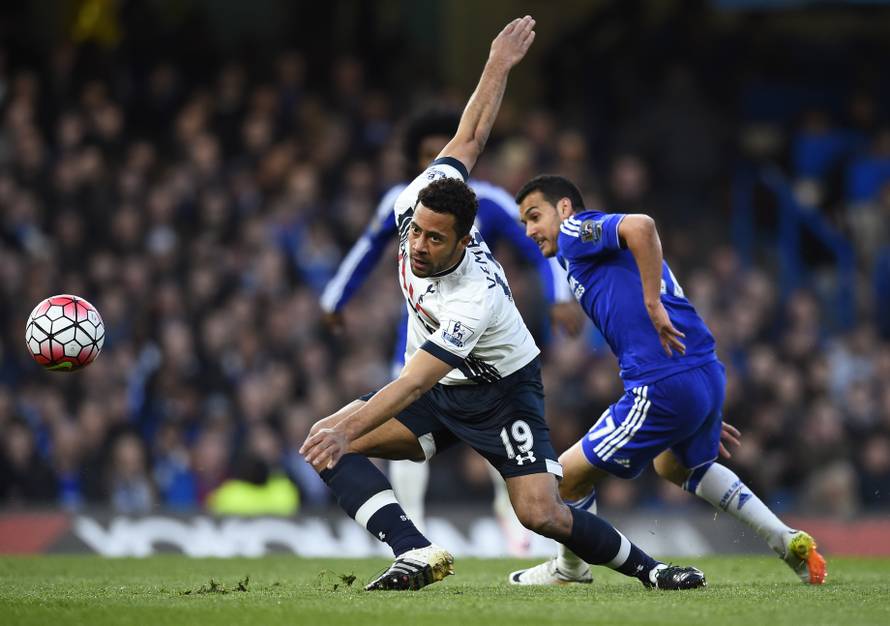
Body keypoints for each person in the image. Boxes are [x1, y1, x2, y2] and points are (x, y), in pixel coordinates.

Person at [301, 16, 706, 592]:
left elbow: (413, 383)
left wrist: (350, 427)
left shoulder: (475, 297)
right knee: (325, 442)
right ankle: (414, 552)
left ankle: (652, 571)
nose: (418, 246)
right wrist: (497, 64)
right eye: (415, 232)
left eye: (435, 239)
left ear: (464, 240)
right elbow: (469, 138)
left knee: (541, 513)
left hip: (503, 393)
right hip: (442, 391)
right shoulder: (415, 201)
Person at [509, 174, 827, 585]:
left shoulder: (575, 231)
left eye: (535, 216)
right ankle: (784, 539)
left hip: (663, 383)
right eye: (524, 223)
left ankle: (571, 568)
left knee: (565, 478)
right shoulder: (585, 255)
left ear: (565, 208)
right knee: (675, 465)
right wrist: (690, 406)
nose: (530, 230)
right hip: (702, 373)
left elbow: (642, 226)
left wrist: (652, 302)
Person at [320, 109, 582, 553]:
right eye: (425, 154)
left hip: (479, 343)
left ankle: (515, 525)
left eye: (436, 153)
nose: (432, 162)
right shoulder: (404, 202)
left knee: (503, 441)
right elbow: (366, 249)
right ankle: (412, 532)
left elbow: (540, 246)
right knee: (400, 423)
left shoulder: (489, 202)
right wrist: (335, 298)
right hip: (422, 347)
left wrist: (559, 295)